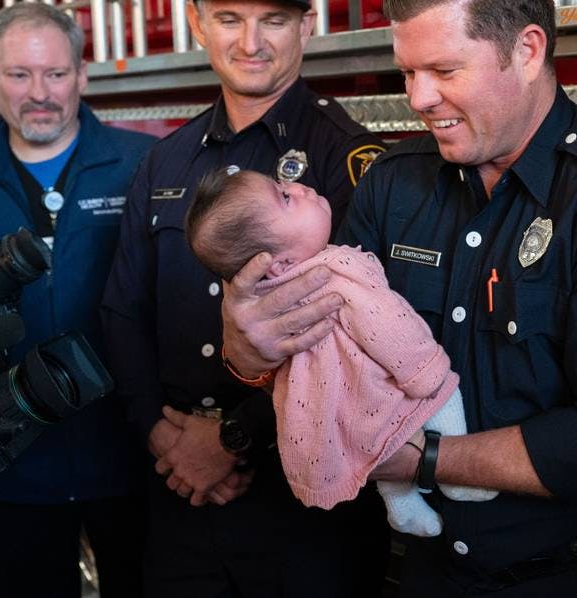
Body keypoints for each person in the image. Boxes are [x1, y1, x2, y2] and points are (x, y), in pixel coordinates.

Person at [219, 0, 577, 596]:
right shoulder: (393, 185)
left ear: (527, 50)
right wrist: (248, 351)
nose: (418, 97)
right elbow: (323, 351)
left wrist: (423, 460)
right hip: (423, 573)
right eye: (408, 73)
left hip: (569, 577)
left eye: (444, 71)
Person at [100, 0, 389, 598]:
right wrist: (160, 437)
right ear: (197, 22)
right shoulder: (165, 162)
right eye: (229, 18)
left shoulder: (351, 162)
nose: (250, 42)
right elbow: (122, 309)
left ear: (307, 27)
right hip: (179, 497)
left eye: (274, 20)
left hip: (306, 504)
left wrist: (230, 439)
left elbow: (359, 337)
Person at [0, 2, 154, 598]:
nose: (40, 94)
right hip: (10, 469)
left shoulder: (142, 165)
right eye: (20, 75)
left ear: (82, 73)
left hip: (132, 458)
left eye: (55, 73)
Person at [185, 167, 496, 536]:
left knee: (381, 450)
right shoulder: (338, 270)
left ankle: (401, 504)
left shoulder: (267, 298)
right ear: (278, 264)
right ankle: (459, 479)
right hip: (379, 386)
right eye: (284, 197)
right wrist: (426, 369)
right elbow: (385, 323)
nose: (298, 188)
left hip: (332, 412)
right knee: (444, 395)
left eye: (285, 185)